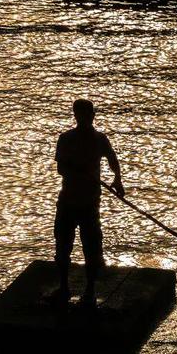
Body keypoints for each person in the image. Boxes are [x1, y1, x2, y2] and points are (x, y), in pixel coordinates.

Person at [54, 99, 124, 306]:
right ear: (76, 116)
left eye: (89, 114)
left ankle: (90, 292)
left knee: (91, 248)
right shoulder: (65, 139)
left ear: (93, 115)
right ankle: (64, 288)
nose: (87, 118)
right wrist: (79, 170)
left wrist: (117, 179)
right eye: (82, 114)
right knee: (63, 246)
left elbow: (112, 158)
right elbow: (61, 169)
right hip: (68, 201)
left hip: (89, 203)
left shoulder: (100, 139)